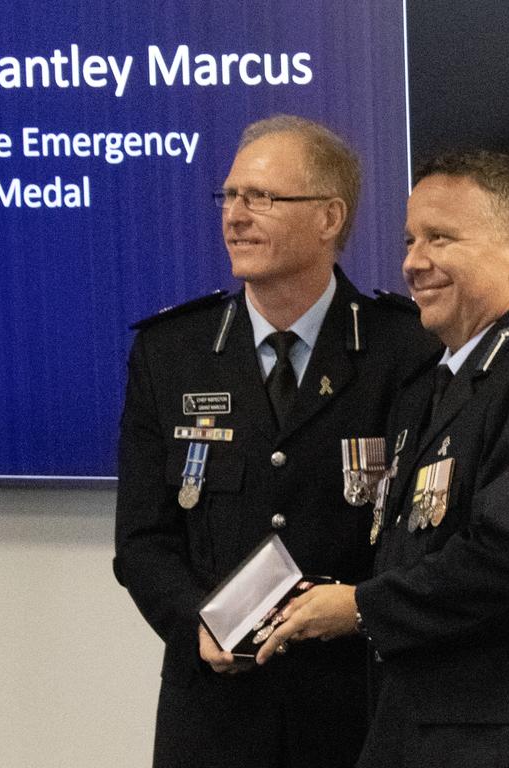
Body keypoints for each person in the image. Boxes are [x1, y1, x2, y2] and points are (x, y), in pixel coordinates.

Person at [257, 149, 509, 767]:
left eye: (441, 238)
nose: (414, 262)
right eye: (410, 239)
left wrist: (359, 607)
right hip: (423, 733)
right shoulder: (431, 390)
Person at [113, 115, 438, 768]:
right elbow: (142, 541)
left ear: (328, 218)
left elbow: (428, 534)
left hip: (356, 710)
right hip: (214, 715)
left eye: (261, 198)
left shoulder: (407, 350)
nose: (235, 215)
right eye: (229, 197)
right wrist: (196, 620)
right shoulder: (170, 353)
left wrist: (362, 612)